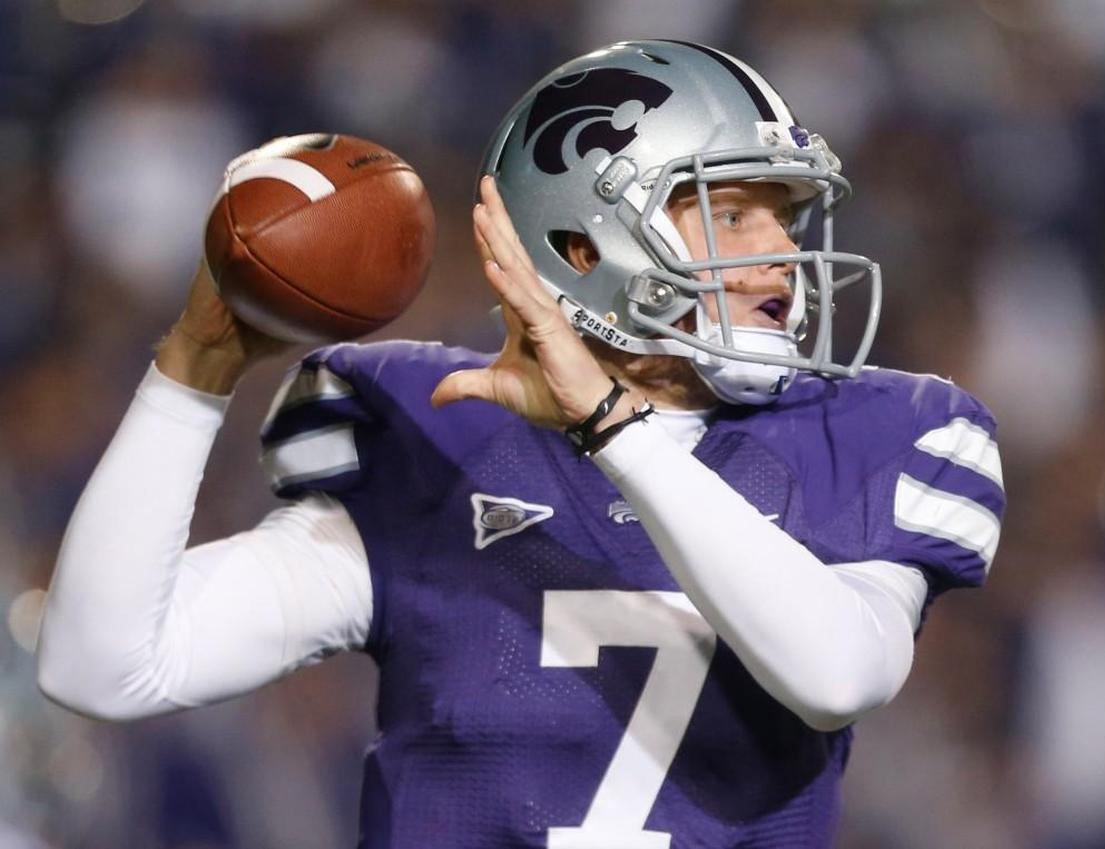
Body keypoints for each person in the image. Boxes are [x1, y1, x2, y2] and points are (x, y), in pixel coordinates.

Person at [36, 40, 1005, 849]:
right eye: (733, 212)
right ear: (584, 246)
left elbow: (837, 674)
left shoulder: (878, 432)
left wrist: (611, 429)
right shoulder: (434, 434)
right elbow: (106, 667)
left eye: (786, 217)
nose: (783, 253)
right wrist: (193, 370)